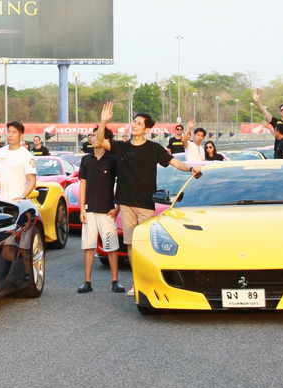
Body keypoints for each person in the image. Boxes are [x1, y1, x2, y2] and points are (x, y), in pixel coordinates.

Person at [95, 101, 202, 296]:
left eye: (138, 123)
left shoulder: (154, 149)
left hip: (145, 205)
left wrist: (190, 168)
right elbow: (100, 141)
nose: (134, 125)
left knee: (146, 245)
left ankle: (150, 282)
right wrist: (103, 122)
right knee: (131, 245)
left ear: (146, 129)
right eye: (133, 122)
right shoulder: (121, 147)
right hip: (126, 204)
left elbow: (176, 163)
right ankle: (136, 283)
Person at [76, 127, 125, 294]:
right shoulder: (86, 160)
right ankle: (87, 281)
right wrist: (82, 208)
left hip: (107, 210)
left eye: (98, 135)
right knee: (88, 246)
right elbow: (83, 184)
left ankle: (115, 281)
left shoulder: (113, 159)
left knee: (111, 247)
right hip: (89, 209)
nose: (93, 138)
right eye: (93, 135)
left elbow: (122, 184)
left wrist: (117, 208)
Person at [0, 122, 38, 202]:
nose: (10, 135)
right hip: (0, 201)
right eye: (9, 131)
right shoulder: (1, 151)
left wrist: (22, 197)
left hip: (17, 203)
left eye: (14, 132)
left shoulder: (27, 155)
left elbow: (32, 181)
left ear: (21, 135)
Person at [254, 92, 283, 160]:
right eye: (281, 110)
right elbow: (265, 112)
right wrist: (258, 102)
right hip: (278, 150)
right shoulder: (276, 122)